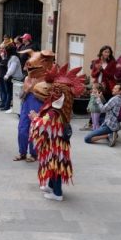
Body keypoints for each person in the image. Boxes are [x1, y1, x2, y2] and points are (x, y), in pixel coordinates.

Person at [29, 64, 85, 202]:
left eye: (55, 91)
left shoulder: (54, 112)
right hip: (54, 143)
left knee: (55, 166)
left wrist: (35, 118)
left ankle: (57, 193)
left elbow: (43, 124)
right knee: (53, 165)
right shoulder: (59, 110)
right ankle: (50, 186)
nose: (51, 93)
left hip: (55, 145)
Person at [84, 83, 121, 147]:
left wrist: (98, 99)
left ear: (120, 91)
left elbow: (103, 109)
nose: (113, 89)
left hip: (109, 125)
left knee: (87, 138)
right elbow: (107, 106)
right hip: (115, 124)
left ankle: (109, 135)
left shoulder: (114, 99)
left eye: (115, 88)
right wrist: (100, 97)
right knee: (99, 120)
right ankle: (112, 134)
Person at [2, 45, 23, 113]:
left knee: (12, 93)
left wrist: (7, 75)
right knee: (11, 93)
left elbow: (12, 68)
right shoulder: (13, 57)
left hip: (16, 78)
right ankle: (10, 107)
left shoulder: (14, 58)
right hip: (14, 78)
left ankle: (9, 107)